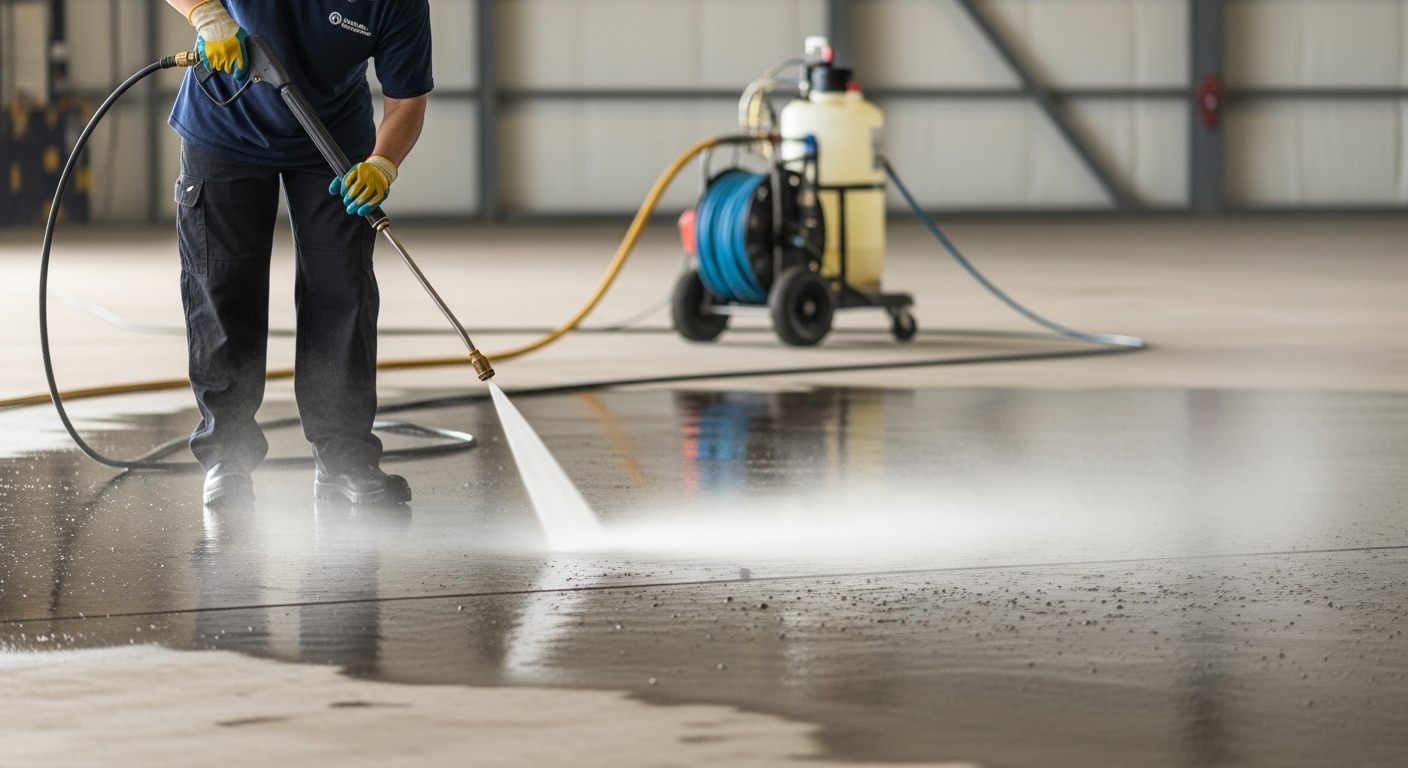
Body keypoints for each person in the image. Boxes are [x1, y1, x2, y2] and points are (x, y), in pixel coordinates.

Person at [165, 0, 432, 508]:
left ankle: (345, 457)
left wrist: (382, 163)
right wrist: (204, 12)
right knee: (222, 290)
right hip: (224, 127)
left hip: (329, 139)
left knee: (341, 291)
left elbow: (406, 102)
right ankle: (228, 455)